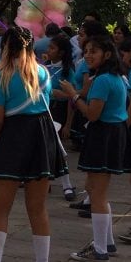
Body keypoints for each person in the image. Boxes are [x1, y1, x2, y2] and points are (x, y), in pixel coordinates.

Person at [0, 26, 67, 262]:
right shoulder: (43, 73)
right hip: (42, 140)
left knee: (0, 207)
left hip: (15, 139)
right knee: (38, 208)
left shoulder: (3, 76)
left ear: (7, 47)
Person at [60, 34, 131, 262]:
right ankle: (107, 242)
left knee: (98, 192)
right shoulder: (116, 76)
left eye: (94, 51)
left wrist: (73, 95)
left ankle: (99, 249)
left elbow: (92, 113)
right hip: (111, 133)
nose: (88, 55)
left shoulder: (104, 79)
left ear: (107, 54)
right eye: (87, 51)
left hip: (104, 135)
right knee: (94, 187)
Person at [43, 33, 78, 200]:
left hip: (59, 111)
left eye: (52, 48)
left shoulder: (67, 70)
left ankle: (67, 184)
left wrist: (68, 124)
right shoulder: (44, 67)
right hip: (44, 110)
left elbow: (73, 96)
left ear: (62, 52)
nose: (48, 50)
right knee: (47, 147)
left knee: (57, 147)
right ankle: (46, 181)